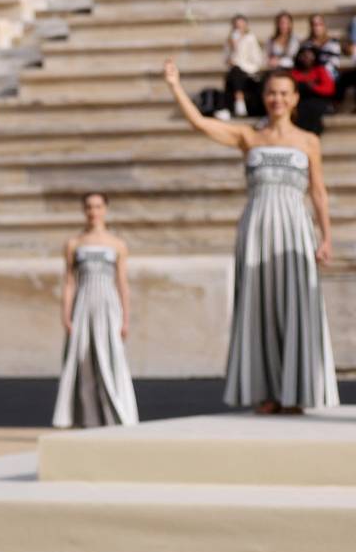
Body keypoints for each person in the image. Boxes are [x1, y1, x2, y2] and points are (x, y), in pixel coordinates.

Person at [164, 61, 339, 415]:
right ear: (265, 97)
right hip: (257, 229)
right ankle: (267, 392)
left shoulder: (309, 141)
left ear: (295, 98)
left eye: (284, 93)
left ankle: (296, 391)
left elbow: (318, 192)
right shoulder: (249, 137)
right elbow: (200, 123)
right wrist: (175, 86)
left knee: (296, 305)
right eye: (272, 93)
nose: (277, 99)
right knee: (259, 306)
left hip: (294, 230)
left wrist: (326, 237)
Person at [52, 193, 138, 429]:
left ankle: (118, 413)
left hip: (108, 305)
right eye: (89, 207)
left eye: (98, 206)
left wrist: (125, 318)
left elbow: (122, 283)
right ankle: (85, 416)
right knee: (81, 358)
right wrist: (66, 313)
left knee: (111, 356)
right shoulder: (74, 244)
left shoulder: (117, 244)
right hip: (83, 305)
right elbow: (69, 282)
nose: (94, 211)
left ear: (105, 209)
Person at [222, 14, 264, 117]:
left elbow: (257, 59)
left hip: (248, 71)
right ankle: (236, 103)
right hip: (235, 71)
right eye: (237, 26)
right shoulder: (230, 40)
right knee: (233, 72)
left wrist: (240, 64)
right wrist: (233, 48)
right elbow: (226, 60)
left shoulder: (250, 39)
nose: (239, 28)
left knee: (235, 72)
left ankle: (238, 101)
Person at [289, 46, 335, 135]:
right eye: (303, 56)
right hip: (300, 102)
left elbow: (329, 89)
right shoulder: (294, 72)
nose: (306, 59)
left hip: (318, 100)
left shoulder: (320, 70)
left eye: (309, 56)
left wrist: (313, 87)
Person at [302, 13, 343, 81]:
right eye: (314, 25)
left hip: (330, 76)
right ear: (310, 27)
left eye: (319, 24)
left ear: (324, 26)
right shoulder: (306, 44)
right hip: (312, 77)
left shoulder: (333, 43)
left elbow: (335, 63)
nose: (316, 28)